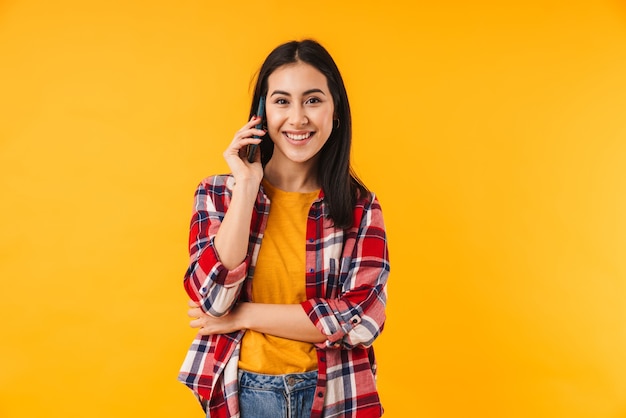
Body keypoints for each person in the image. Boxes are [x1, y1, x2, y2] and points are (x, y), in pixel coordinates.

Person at [178, 39, 390, 418]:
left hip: (335, 395)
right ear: (261, 112)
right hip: (244, 391)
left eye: (312, 100)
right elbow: (212, 300)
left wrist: (243, 316)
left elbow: (360, 320)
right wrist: (246, 186)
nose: (297, 118)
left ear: (335, 110)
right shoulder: (217, 194)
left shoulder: (360, 208)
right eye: (281, 101)